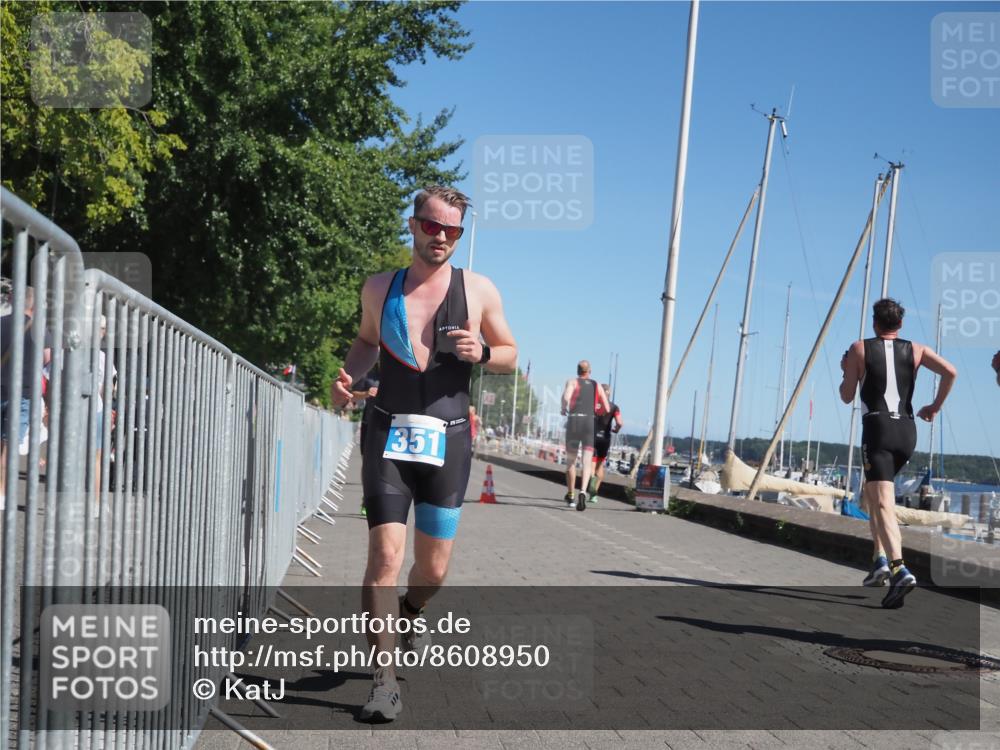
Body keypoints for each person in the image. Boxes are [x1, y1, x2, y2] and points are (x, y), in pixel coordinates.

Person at [331, 185, 517, 722]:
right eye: (432, 226)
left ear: (460, 236)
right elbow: (367, 342)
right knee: (384, 559)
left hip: (449, 441)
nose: (440, 238)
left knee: (432, 571)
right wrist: (350, 379)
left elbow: (510, 353)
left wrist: (483, 353)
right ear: (412, 225)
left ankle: (411, 610)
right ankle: (383, 682)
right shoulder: (378, 288)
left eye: (452, 231)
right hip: (387, 434)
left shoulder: (478, 290)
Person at [839, 298, 956, 609]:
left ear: (875, 323)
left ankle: (898, 568)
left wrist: (845, 370)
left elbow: (846, 395)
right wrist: (933, 407)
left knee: (883, 503)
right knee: (873, 496)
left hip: (877, 429)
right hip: (906, 432)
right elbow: (950, 372)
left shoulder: (859, 348)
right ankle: (878, 560)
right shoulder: (916, 349)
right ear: (900, 324)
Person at [561, 360, 609, 511]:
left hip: (575, 421)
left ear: (577, 370)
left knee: (571, 461)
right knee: (587, 462)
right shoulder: (597, 385)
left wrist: (563, 408)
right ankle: (582, 491)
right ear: (590, 371)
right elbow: (606, 408)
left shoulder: (572, 382)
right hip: (590, 422)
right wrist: (597, 412)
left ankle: (571, 495)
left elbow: (566, 398)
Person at [587, 383, 622, 504]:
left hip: (592, 437)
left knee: (591, 465)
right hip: (605, 439)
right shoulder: (614, 407)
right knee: (600, 466)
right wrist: (616, 429)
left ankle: (590, 483)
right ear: (609, 394)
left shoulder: (593, 405)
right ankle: (594, 495)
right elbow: (620, 423)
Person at [351, 374, 379, 517]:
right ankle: (367, 499)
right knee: (368, 464)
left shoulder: (399, 369)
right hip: (370, 422)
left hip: (392, 424)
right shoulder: (368, 374)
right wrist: (366, 393)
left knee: (385, 464)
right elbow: (353, 395)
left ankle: (380, 501)